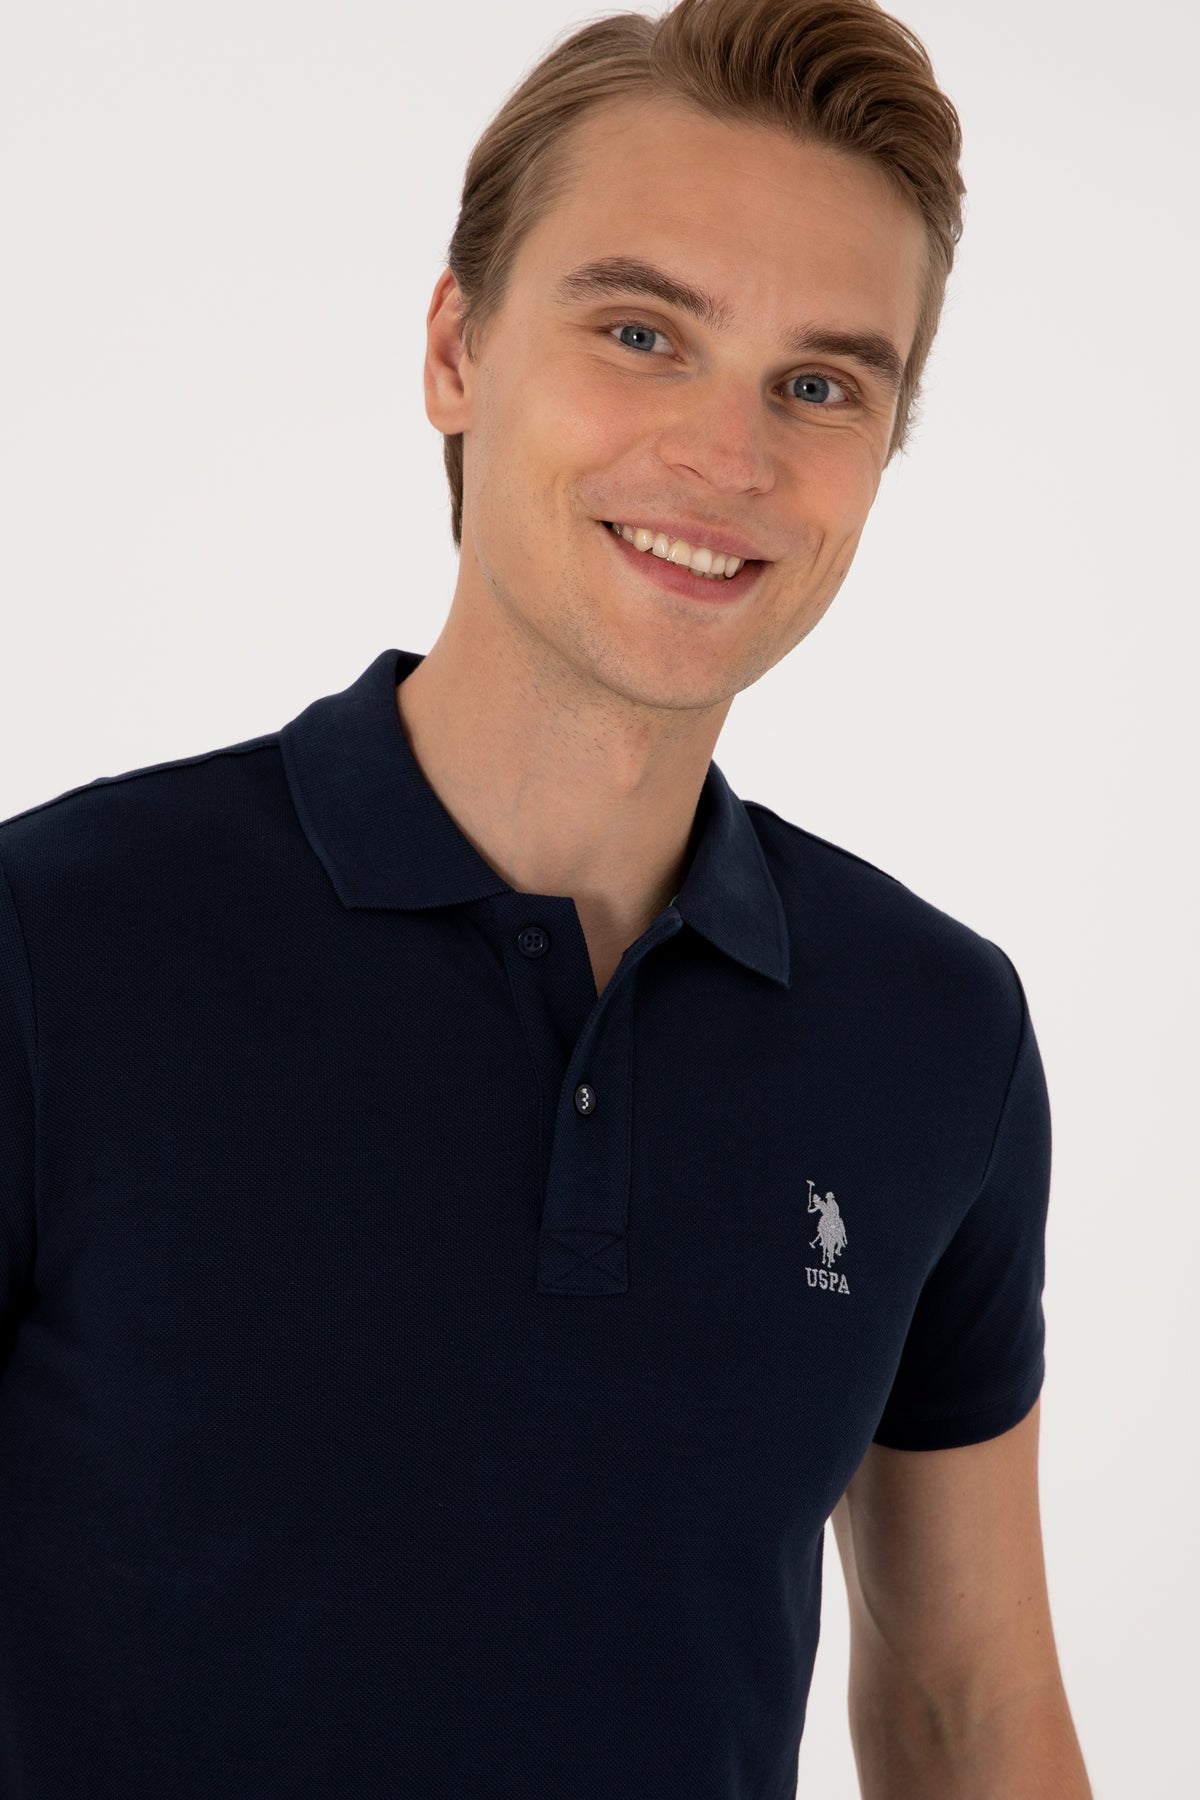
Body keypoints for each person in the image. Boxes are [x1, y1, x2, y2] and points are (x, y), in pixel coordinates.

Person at [0, 0, 1093, 1794]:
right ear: (457, 348)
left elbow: (967, 1709)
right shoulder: (56, 943)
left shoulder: (932, 1032)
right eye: (643, 332)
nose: (731, 457)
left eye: (822, 384)